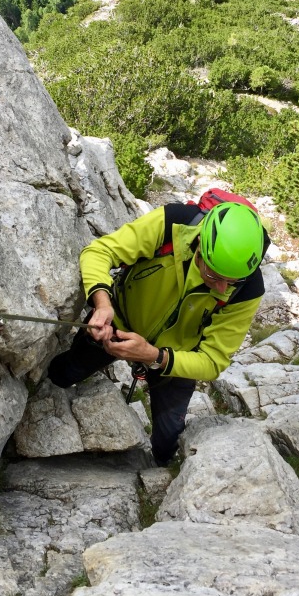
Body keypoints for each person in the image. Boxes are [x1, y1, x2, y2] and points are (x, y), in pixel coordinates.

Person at [48, 199, 270, 465]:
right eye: (214, 277)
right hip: (117, 322)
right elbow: (99, 252)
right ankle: (43, 392)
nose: (222, 289)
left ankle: (162, 468)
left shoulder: (248, 288)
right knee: (66, 373)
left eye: (231, 281)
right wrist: (102, 303)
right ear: (199, 247)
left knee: (168, 437)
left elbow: (213, 361)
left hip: (175, 357)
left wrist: (154, 356)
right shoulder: (172, 223)